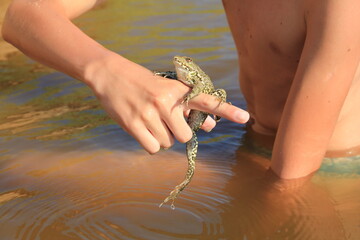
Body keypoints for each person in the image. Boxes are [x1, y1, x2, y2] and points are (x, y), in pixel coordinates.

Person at [2, 0, 360, 179]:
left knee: (24, 167)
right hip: (250, 139)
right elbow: (19, 13)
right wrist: (106, 70)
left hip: (329, 171)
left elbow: (289, 184)